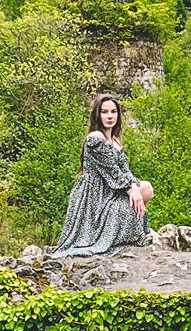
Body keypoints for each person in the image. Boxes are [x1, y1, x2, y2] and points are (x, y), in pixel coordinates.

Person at [52, 94, 154, 257]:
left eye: (113, 112)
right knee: (137, 194)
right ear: (97, 115)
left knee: (147, 188)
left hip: (112, 189)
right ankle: (126, 228)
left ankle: (134, 224)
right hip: (95, 196)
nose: (110, 116)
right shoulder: (95, 138)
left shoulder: (115, 140)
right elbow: (112, 172)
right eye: (104, 112)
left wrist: (134, 187)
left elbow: (124, 172)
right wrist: (131, 190)